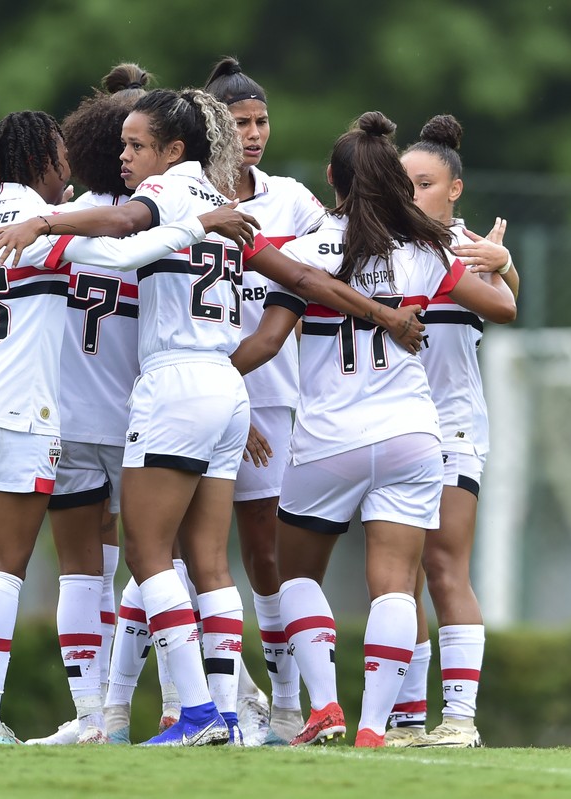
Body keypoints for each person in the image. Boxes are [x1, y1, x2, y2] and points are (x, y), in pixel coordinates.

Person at [0, 88, 423, 746]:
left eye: (135, 145)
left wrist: (49, 227)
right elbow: (295, 280)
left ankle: (191, 712)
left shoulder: (171, 195)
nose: (124, 156)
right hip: (227, 384)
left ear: (174, 148)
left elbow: (127, 230)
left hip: (175, 382)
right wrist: (386, 315)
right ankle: (221, 713)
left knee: (148, 553)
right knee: (212, 564)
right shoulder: (223, 206)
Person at [0, 109, 242, 746]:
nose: (69, 169)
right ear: (42, 160)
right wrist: (200, 224)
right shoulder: (40, 230)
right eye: (60, 159)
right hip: (16, 411)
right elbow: (128, 251)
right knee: (7, 568)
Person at [229, 111, 516, 748]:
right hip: (415, 436)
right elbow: (502, 305)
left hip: (328, 438)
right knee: (396, 583)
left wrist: (211, 376)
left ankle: (326, 708)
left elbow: (269, 341)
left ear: (331, 177)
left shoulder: (303, 252)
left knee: (297, 576)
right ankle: (376, 729)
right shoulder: (425, 250)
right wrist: (502, 262)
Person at [23, 63, 151, 747]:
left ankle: (92, 715)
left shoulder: (63, 233)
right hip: (141, 425)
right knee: (153, 564)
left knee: (81, 569)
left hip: (68, 420)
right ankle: (123, 709)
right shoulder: (153, 226)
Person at [388, 113, 521, 749]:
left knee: (444, 566)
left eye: (423, 183)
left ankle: (460, 718)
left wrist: (507, 263)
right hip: (391, 429)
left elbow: (506, 300)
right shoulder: (383, 246)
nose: (410, 194)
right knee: (400, 574)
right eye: (403, 183)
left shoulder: (466, 248)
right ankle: (408, 718)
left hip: (453, 429)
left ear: (454, 189)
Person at [205, 55, 325, 746]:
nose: (254, 135)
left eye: (261, 122)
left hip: (275, 406)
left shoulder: (290, 200)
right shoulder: (187, 199)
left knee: (264, 557)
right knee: (180, 558)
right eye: (240, 123)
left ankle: (283, 704)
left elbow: (334, 255)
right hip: (200, 404)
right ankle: (208, 702)